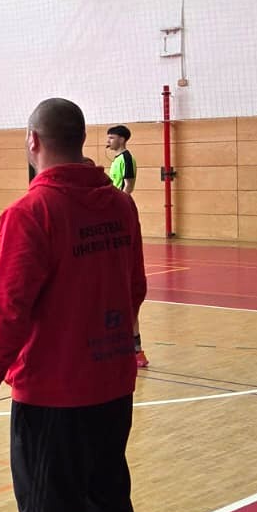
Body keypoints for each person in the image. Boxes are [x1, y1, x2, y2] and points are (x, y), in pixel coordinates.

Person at [0, 97, 147, 512]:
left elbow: (9, 305)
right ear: (84, 141)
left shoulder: (31, 211)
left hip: (52, 394)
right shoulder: (120, 205)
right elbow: (135, 286)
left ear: (33, 141)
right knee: (108, 498)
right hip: (112, 382)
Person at [106, 124, 148, 368]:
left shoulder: (127, 159)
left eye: (111, 137)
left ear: (121, 139)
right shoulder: (115, 161)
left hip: (120, 211)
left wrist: (117, 206)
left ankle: (136, 350)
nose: (108, 141)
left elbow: (128, 185)